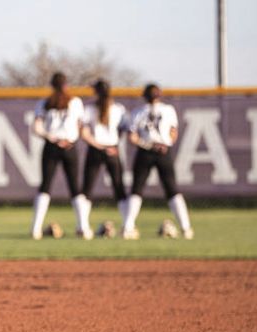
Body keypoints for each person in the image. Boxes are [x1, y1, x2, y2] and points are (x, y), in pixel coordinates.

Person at [121, 83, 193, 240]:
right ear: (159, 95)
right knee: (172, 189)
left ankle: (128, 227)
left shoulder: (138, 112)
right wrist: (165, 144)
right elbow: (173, 133)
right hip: (163, 151)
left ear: (145, 96)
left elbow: (132, 137)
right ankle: (186, 228)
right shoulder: (168, 110)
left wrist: (147, 145)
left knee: (136, 190)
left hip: (145, 152)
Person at [29, 72, 84, 239]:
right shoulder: (75, 102)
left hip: (51, 146)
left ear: (52, 86)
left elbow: (36, 128)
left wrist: (52, 137)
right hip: (69, 146)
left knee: (45, 187)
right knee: (75, 187)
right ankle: (83, 227)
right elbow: (80, 127)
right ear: (66, 85)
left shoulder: (45, 103)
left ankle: (36, 229)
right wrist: (67, 139)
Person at [74, 79, 128, 238]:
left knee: (87, 190)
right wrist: (113, 145)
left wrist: (97, 145)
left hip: (95, 150)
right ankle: (127, 226)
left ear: (96, 92)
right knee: (120, 190)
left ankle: (83, 227)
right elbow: (124, 130)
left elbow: (83, 132)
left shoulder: (90, 109)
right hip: (112, 150)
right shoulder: (119, 109)